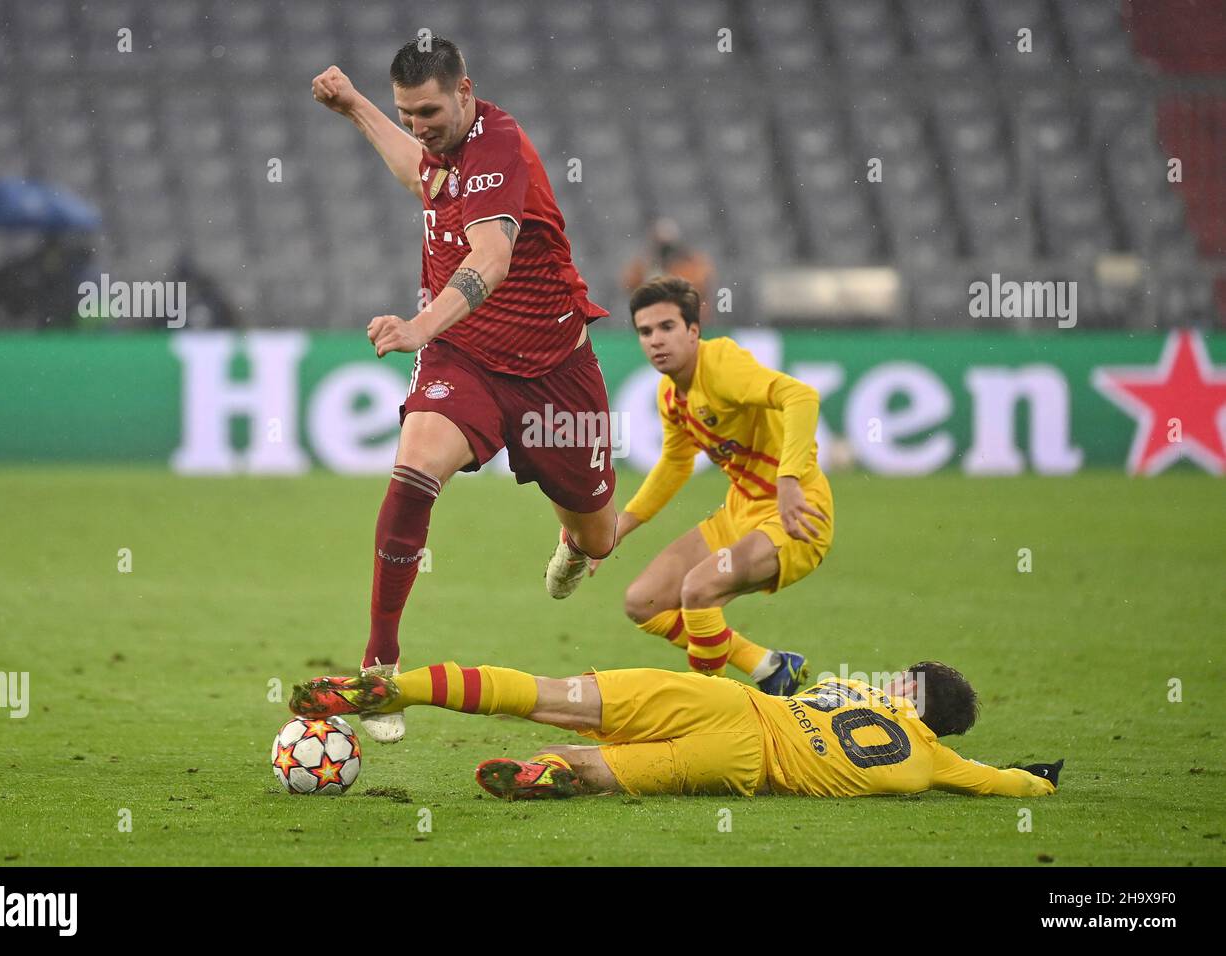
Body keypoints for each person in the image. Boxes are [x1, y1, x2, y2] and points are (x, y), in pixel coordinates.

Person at [308, 38, 618, 742]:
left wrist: (418, 324)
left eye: (429, 112)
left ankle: (573, 542)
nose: (419, 125)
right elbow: (419, 174)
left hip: (553, 373)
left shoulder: (498, 146)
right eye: (406, 113)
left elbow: (493, 256)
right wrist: (356, 106)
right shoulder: (440, 146)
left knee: (598, 536)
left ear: (466, 92)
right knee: (412, 474)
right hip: (466, 358)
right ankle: (380, 665)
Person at [289, 662, 1064, 800]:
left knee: (552, 694)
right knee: (596, 764)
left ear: (906, 688)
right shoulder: (930, 765)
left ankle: (400, 687)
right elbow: (997, 780)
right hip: (744, 764)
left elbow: (786, 681)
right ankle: (551, 775)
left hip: (725, 702)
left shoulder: (851, 686)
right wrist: (1037, 777)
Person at [588, 277, 832, 696]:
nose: (655, 341)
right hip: (740, 514)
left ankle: (708, 707)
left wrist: (790, 479)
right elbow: (676, 464)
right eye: (645, 332)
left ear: (693, 331)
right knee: (643, 601)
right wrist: (617, 529)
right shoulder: (670, 394)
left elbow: (801, 396)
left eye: (667, 327)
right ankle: (768, 666)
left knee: (699, 590)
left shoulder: (720, 366)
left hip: (795, 516)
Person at [620, 217, 715, 324]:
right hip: (652, 316)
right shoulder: (644, 263)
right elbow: (629, 285)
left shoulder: (690, 263)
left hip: (687, 317)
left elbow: (698, 286)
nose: (664, 251)